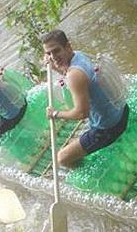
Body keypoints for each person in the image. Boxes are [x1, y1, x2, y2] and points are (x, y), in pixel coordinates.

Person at [41, 29, 129, 168]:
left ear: (68, 46)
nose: (52, 56)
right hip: (122, 110)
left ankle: (87, 173)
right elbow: (70, 73)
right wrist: (55, 66)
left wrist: (55, 114)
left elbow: (81, 114)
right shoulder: (79, 56)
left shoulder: (74, 75)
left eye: (56, 51)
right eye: (48, 53)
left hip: (109, 128)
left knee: (62, 159)